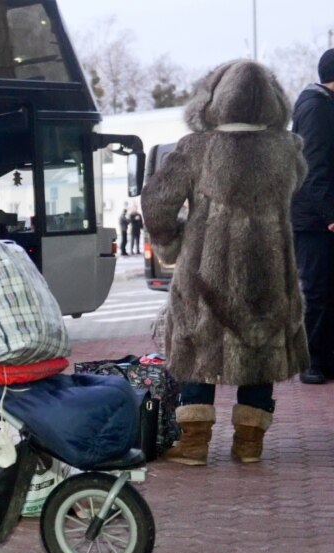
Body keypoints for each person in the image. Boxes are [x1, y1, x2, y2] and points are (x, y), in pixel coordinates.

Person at [141, 59, 308, 466]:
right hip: (269, 269)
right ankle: (249, 444)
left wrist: (171, 243)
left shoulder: (196, 149)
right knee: (261, 345)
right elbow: (297, 187)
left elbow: (156, 202)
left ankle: (195, 443)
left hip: (205, 271)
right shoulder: (287, 149)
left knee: (198, 345)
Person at [290, 48, 334, 385]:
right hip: (315, 219)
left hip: (319, 214)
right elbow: (315, 167)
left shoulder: (322, 103)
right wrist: (330, 214)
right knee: (317, 290)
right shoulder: (316, 107)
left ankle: (325, 358)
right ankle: (313, 362)